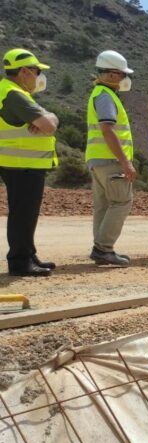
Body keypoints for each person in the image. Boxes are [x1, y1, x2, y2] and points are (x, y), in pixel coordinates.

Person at [0, 48, 58, 277]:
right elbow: (49, 125)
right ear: (24, 71)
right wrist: (51, 117)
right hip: (21, 163)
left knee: (25, 212)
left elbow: (46, 123)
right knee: (23, 213)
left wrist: (48, 118)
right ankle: (20, 262)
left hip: (21, 162)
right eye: (36, 71)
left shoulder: (14, 92)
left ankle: (28, 254)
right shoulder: (14, 94)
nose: (39, 76)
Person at [85, 50, 136, 267]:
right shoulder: (106, 96)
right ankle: (103, 248)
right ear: (112, 75)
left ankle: (101, 248)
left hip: (97, 160)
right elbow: (108, 130)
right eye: (123, 74)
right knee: (122, 202)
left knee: (103, 206)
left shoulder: (98, 93)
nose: (126, 79)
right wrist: (126, 162)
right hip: (110, 160)